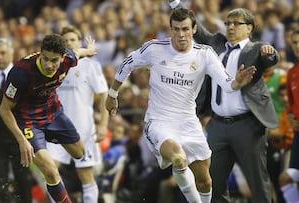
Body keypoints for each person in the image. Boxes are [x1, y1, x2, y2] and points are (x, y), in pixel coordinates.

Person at [105, 6, 256, 203]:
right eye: (176, 29)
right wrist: (112, 93)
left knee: (205, 182)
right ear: (170, 29)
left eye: (185, 29)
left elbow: (227, 84)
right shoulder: (155, 48)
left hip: (188, 122)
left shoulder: (205, 54)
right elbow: (127, 63)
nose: (181, 34)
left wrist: (237, 82)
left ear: (194, 29)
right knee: (178, 158)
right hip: (159, 122)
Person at [170, 0, 280, 202]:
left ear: (249, 28)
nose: (230, 27)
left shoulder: (256, 49)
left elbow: (271, 59)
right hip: (218, 125)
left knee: (258, 182)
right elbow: (195, 26)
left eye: (236, 23)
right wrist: (175, 3)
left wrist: (270, 54)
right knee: (213, 183)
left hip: (247, 125)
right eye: (228, 23)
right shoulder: (217, 43)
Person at [0, 34, 96, 203]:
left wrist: (89, 50)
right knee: (50, 171)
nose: (49, 65)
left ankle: (48, 140)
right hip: (28, 122)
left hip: (53, 113)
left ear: (62, 58)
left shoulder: (68, 59)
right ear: (40, 53)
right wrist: (21, 140)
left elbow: (78, 52)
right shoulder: (21, 72)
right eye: (45, 59)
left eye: (54, 61)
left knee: (79, 153)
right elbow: (4, 109)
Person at [46, 25, 109, 203]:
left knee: (85, 174)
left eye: (73, 40)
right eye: (65, 41)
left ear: (80, 42)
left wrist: (103, 125)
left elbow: (104, 95)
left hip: (83, 130)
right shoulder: (53, 67)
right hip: (56, 128)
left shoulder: (91, 66)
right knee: (50, 171)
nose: (69, 44)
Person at [0, 38, 33, 203]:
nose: (0, 57)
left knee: (23, 179)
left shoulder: (21, 75)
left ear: (11, 53)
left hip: (18, 137)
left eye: (3, 53)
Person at [279, 28, 299, 203]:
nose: (297, 46)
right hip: (298, 135)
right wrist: (292, 116)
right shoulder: (292, 73)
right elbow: (291, 106)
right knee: (286, 178)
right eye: (294, 42)